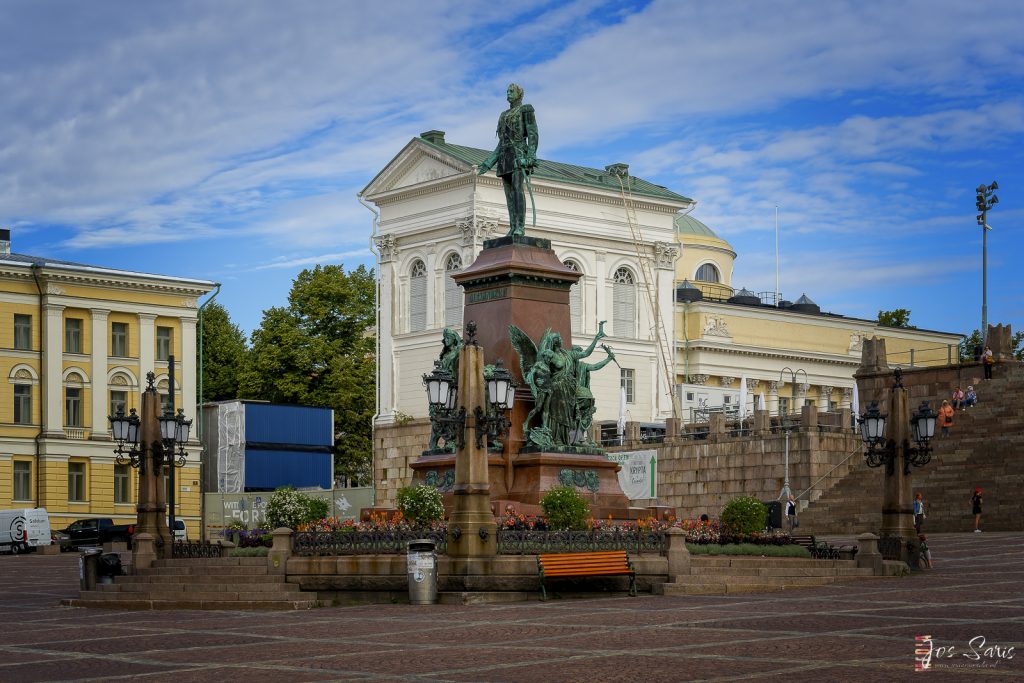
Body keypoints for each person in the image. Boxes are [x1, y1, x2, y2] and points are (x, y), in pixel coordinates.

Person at [477, 83, 539, 238]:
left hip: (519, 155)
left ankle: (520, 227)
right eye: (507, 91)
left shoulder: (526, 110)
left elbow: (532, 134)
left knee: (518, 190)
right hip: (505, 157)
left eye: (511, 91)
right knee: (509, 194)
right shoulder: (503, 115)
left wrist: (530, 156)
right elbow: (501, 143)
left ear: (519, 94)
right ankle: (512, 227)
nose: (508, 93)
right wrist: (488, 162)